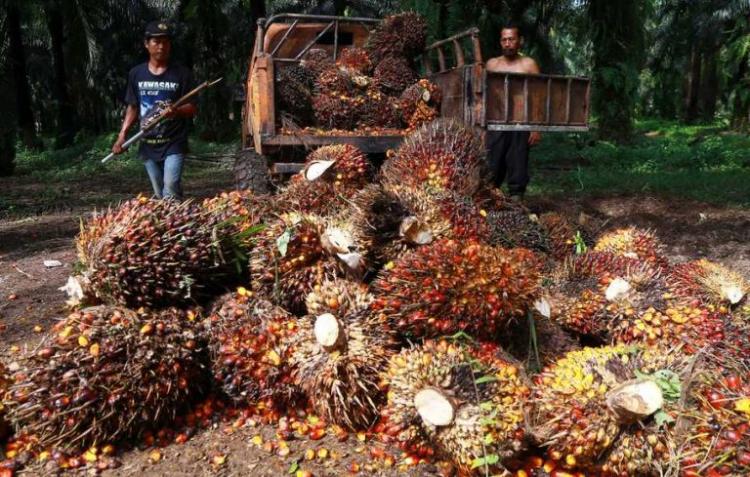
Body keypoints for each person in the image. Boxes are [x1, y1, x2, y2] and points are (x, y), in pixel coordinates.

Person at [111, 21, 196, 200]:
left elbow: (192, 107)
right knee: (159, 193)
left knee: (170, 187)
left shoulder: (182, 74)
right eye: (156, 42)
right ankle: (174, 217)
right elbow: (133, 106)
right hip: (147, 144)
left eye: (165, 42)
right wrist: (122, 135)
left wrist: (176, 111)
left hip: (174, 142)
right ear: (146, 44)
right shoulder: (136, 74)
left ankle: (173, 215)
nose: (161, 46)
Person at [485, 25, 541, 201]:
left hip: (521, 122)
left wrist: (536, 127)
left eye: (511, 39)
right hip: (496, 121)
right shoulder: (492, 64)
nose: (508, 43)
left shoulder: (529, 65)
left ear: (520, 41)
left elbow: (538, 96)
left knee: (518, 162)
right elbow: (484, 96)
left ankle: (517, 199)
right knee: (492, 162)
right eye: (504, 39)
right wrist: (482, 128)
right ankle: (489, 197)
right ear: (500, 42)